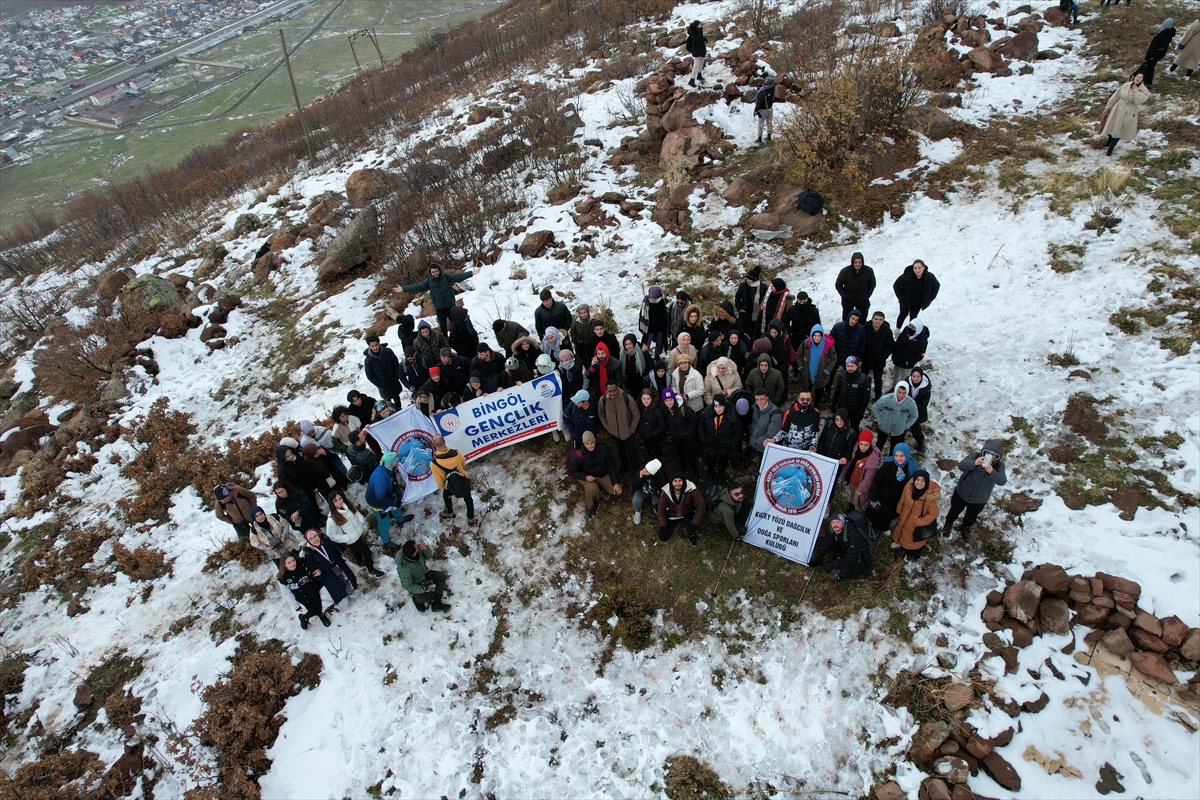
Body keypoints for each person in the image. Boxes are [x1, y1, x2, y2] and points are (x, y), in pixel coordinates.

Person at [942, 439, 1007, 542]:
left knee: (971, 516)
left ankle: (966, 527)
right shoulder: (975, 456)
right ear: (984, 452)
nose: (990, 456)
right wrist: (975, 463)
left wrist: (992, 472)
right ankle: (948, 523)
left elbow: (1002, 481)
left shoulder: (999, 466)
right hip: (962, 492)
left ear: (997, 457)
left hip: (979, 499)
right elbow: (961, 466)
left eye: (993, 455)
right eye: (988, 453)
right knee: (954, 510)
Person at [396, 262, 477, 334]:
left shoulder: (446, 277)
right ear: (430, 273)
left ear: (439, 271)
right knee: (442, 324)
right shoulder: (429, 281)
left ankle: (457, 335)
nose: (435, 273)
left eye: (436, 271)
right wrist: (403, 289)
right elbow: (417, 287)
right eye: (433, 272)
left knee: (455, 322)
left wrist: (472, 273)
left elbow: (458, 277)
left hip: (450, 304)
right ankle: (445, 338)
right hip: (439, 307)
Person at [325, 489, 386, 577]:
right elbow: (331, 535)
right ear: (331, 503)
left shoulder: (347, 505)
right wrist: (347, 538)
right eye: (336, 501)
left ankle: (360, 562)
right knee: (367, 552)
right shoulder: (332, 518)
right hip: (351, 540)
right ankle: (371, 570)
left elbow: (355, 512)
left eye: (340, 498)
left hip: (357, 533)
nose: (339, 502)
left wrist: (361, 520)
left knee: (358, 551)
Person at [568, 431, 623, 518]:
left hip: (601, 474)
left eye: (592, 442)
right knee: (592, 489)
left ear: (595, 441)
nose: (590, 446)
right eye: (587, 443)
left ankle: (603, 486)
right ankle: (590, 507)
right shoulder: (578, 455)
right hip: (586, 476)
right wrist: (585, 477)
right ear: (584, 443)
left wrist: (616, 482)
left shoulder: (603, 449)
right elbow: (572, 470)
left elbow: (611, 465)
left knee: (615, 490)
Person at [365, 452, 415, 546]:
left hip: (388, 495)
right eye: (396, 459)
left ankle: (400, 520)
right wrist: (392, 503)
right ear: (392, 462)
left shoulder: (388, 469)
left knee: (397, 508)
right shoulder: (380, 478)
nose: (398, 460)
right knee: (384, 523)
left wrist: (399, 497)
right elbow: (380, 497)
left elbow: (393, 482)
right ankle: (387, 542)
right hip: (378, 504)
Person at [866, 443, 919, 531]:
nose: (898, 459)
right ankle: (873, 526)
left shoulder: (911, 467)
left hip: (896, 498)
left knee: (889, 514)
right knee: (876, 514)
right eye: (896, 455)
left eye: (902, 456)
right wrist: (874, 499)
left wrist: (903, 479)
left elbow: (910, 487)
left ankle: (885, 526)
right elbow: (877, 482)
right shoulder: (888, 464)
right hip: (882, 496)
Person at [891, 470, 941, 559]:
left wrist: (919, 521)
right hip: (905, 518)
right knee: (903, 534)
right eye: (917, 479)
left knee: (914, 542)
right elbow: (903, 498)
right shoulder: (909, 489)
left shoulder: (929, 498)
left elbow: (934, 513)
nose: (919, 483)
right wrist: (900, 509)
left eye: (923, 481)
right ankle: (903, 548)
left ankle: (912, 556)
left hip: (916, 525)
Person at [302, 528, 357, 608]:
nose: (315, 539)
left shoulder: (326, 542)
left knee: (345, 579)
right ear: (308, 541)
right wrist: (319, 572)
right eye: (311, 538)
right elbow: (312, 569)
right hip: (327, 573)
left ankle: (350, 592)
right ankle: (343, 598)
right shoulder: (309, 554)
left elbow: (335, 551)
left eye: (315, 536)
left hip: (338, 565)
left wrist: (341, 560)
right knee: (336, 586)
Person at [430, 434, 478, 525]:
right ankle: (471, 518)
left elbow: (439, 479)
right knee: (468, 499)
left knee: (446, 497)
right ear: (444, 441)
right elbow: (463, 464)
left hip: (449, 485)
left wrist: (443, 486)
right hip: (462, 480)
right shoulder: (456, 453)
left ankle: (450, 512)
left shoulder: (434, 463)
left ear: (434, 445)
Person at [810, 512, 873, 581]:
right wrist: (817, 557)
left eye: (837, 522)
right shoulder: (834, 530)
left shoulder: (853, 535)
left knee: (844, 571)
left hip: (858, 559)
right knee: (820, 542)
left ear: (843, 522)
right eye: (833, 522)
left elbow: (851, 559)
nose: (835, 525)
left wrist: (833, 565)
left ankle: (848, 574)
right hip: (843, 548)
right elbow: (827, 543)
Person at [1100, 72, 1149, 156]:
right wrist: (1107, 107)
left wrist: (1136, 92)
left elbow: (1138, 101)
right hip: (1118, 107)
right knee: (1112, 125)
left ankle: (1112, 146)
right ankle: (1109, 140)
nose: (1138, 79)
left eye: (1140, 78)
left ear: (1143, 80)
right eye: (1137, 76)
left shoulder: (1144, 91)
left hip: (1129, 111)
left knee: (1119, 129)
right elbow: (1116, 96)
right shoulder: (1126, 85)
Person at [598, 382, 641, 476]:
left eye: (614, 391)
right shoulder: (603, 400)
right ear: (606, 390)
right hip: (615, 432)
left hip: (628, 431)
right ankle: (624, 465)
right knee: (621, 450)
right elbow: (601, 413)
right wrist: (607, 426)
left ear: (617, 388)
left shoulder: (627, 398)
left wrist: (632, 429)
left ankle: (636, 469)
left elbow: (636, 414)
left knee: (632, 451)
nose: (612, 393)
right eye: (610, 391)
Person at [395, 539, 450, 612]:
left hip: (425, 573)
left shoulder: (413, 550)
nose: (418, 546)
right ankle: (416, 600)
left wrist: (425, 549)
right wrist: (421, 589)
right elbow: (408, 586)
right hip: (417, 583)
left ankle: (436, 602)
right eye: (417, 548)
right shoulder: (404, 569)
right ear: (413, 554)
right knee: (426, 597)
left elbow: (428, 555)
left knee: (441, 577)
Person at [278, 554, 331, 629]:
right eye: (289, 563)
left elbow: (314, 564)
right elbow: (287, 593)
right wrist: (295, 606)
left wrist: (318, 569)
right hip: (301, 596)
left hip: (312, 590)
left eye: (293, 560)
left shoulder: (302, 564)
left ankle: (304, 618)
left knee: (317, 608)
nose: (293, 564)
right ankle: (319, 614)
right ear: (284, 565)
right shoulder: (283, 578)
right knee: (311, 608)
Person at [656, 471, 707, 545]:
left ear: (684, 481)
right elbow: (661, 507)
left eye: (680, 481)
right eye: (675, 481)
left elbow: (701, 505)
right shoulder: (666, 490)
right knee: (663, 536)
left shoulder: (691, 488)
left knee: (696, 528)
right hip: (672, 514)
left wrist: (695, 523)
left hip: (687, 513)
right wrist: (663, 524)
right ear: (671, 482)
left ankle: (692, 534)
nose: (677, 484)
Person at [699, 394, 742, 482]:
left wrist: (732, 444)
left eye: (720, 406)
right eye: (716, 406)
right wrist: (704, 439)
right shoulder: (707, 414)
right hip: (710, 443)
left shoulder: (732, 416)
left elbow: (738, 431)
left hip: (725, 445)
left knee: (723, 462)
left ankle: (721, 474)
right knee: (710, 461)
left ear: (724, 406)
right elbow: (700, 426)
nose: (718, 409)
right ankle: (711, 473)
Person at [872, 380, 919, 456]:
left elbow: (914, 415)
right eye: (899, 392)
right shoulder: (885, 399)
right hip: (883, 428)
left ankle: (890, 464)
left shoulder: (911, 404)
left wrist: (906, 425)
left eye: (904, 393)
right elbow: (875, 408)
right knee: (879, 445)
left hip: (898, 431)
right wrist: (879, 420)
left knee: (895, 449)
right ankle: (875, 461)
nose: (901, 395)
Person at [662, 388, 701, 474]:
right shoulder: (665, 411)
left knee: (689, 455)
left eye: (671, 400)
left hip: (687, 438)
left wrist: (687, 432)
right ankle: (683, 465)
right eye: (666, 401)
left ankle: (695, 471)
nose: (669, 403)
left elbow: (694, 420)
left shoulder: (683, 409)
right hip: (676, 438)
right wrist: (669, 431)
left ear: (674, 399)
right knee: (680, 453)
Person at [797, 324, 837, 407]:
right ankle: (807, 404)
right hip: (807, 372)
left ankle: (816, 404)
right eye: (815, 335)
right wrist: (801, 366)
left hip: (821, 373)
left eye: (819, 335)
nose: (817, 338)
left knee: (819, 389)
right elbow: (798, 355)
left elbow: (834, 358)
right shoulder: (806, 343)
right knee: (807, 389)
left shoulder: (828, 346)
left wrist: (827, 370)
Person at [892, 260, 940, 330]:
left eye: (919, 268)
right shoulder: (907, 275)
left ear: (923, 267)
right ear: (913, 268)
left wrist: (929, 298)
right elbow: (896, 285)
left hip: (918, 303)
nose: (917, 270)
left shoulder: (929, 277)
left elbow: (936, 286)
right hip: (906, 301)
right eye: (915, 268)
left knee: (913, 317)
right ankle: (897, 331)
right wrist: (901, 298)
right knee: (902, 315)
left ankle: (910, 332)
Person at [845, 430, 882, 512]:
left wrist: (861, 489)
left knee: (857, 502)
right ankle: (850, 511)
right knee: (851, 498)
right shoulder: (857, 450)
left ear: (870, 444)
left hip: (860, 485)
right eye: (861, 444)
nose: (863, 447)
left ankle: (858, 516)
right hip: (852, 481)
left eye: (866, 445)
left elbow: (869, 478)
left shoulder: (873, 458)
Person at [831, 356, 872, 430]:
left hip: (854, 410)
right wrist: (834, 404)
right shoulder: (843, 375)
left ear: (857, 366)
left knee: (854, 428)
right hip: (842, 407)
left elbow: (866, 398)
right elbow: (837, 390)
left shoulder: (864, 379)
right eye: (848, 366)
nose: (850, 368)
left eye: (852, 366)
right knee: (841, 427)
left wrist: (860, 413)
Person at [363, 336, 404, 409]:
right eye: (372, 346)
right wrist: (380, 384)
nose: (375, 348)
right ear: (369, 346)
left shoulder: (388, 352)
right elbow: (370, 375)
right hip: (383, 386)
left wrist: (396, 375)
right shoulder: (368, 360)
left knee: (397, 399)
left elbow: (395, 363)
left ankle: (399, 410)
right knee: (387, 404)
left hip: (393, 381)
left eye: (376, 345)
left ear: (379, 344)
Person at [862, 312, 895, 401]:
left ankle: (878, 396)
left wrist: (883, 356)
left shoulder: (887, 331)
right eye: (876, 319)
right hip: (867, 358)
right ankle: (862, 393)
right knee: (863, 377)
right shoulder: (865, 328)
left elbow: (891, 345)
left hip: (879, 359)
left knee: (878, 379)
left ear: (883, 321)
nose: (877, 321)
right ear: (872, 319)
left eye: (880, 320)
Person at [835, 252, 876, 321]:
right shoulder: (845, 271)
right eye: (855, 262)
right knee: (847, 318)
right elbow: (838, 285)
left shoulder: (868, 271)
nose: (858, 264)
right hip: (848, 300)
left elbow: (872, 284)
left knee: (862, 319)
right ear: (852, 262)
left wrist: (867, 295)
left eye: (860, 262)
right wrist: (845, 296)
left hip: (862, 300)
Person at [814, 408, 856, 478]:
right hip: (823, 458)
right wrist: (820, 453)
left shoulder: (851, 433)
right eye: (837, 419)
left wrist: (846, 458)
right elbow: (822, 439)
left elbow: (850, 450)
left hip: (836, 463)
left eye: (841, 419)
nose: (839, 422)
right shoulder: (829, 425)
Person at [891, 318, 928, 388]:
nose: (910, 328)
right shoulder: (906, 331)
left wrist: (910, 362)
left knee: (904, 378)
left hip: (907, 364)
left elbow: (920, 355)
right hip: (898, 359)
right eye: (910, 326)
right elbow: (899, 341)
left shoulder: (922, 341)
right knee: (896, 374)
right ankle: (894, 388)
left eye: (913, 327)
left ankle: (902, 390)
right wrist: (894, 353)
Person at [747, 388, 783, 461]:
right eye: (757, 400)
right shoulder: (756, 408)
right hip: (756, 442)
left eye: (762, 399)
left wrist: (755, 441)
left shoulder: (775, 414)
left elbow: (770, 435)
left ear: (767, 398)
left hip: (763, 446)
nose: (759, 402)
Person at [1138, 19, 1176, 88]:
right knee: (1151, 66)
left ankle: (1147, 82)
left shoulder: (1161, 36)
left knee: (1150, 67)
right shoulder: (1170, 33)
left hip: (1154, 54)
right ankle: (1146, 81)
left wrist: (1147, 57)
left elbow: (1153, 47)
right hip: (1160, 54)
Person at [631, 458, 668, 525]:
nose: (644, 471)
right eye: (645, 468)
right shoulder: (640, 471)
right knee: (635, 500)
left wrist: (659, 496)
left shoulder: (661, 477)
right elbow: (634, 487)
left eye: (647, 471)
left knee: (659, 510)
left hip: (655, 492)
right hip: (643, 490)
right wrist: (639, 478)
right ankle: (638, 511)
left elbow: (664, 489)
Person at [829, 310, 866, 376]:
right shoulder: (838, 327)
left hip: (851, 359)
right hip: (837, 356)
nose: (853, 321)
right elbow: (830, 342)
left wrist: (856, 357)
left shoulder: (861, 330)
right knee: (831, 374)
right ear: (849, 317)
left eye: (856, 320)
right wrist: (833, 354)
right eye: (852, 318)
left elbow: (862, 345)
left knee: (849, 377)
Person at [637, 388, 668, 463]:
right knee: (648, 448)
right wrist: (640, 430)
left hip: (654, 435)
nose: (646, 401)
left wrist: (653, 433)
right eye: (644, 398)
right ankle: (650, 456)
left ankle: (658, 459)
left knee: (656, 448)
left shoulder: (657, 410)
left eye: (648, 398)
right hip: (644, 434)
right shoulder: (639, 407)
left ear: (652, 398)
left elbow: (663, 424)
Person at [785, 292, 821, 358]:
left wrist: (811, 334)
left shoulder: (813, 310)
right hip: (795, 337)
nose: (801, 303)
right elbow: (786, 321)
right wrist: (790, 332)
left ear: (807, 299)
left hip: (808, 337)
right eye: (800, 301)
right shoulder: (793, 309)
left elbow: (817, 325)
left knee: (807, 356)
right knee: (795, 355)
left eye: (804, 301)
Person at [906, 367, 931, 455]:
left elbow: (924, 403)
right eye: (914, 376)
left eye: (918, 377)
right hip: (905, 410)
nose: (915, 379)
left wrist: (913, 411)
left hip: (917, 412)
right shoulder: (906, 383)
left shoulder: (926, 387)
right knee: (902, 428)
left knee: (915, 429)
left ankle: (921, 442)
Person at [638, 285, 670, 355]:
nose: (653, 299)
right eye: (651, 297)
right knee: (647, 342)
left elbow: (667, 315)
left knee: (659, 341)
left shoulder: (663, 302)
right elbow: (641, 315)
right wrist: (641, 328)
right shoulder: (646, 302)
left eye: (655, 298)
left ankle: (657, 355)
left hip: (660, 326)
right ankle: (644, 354)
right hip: (649, 327)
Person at [686, 20, 707, 87]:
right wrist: (700, 30)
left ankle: (699, 75)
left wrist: (705, 39)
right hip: (696, 50)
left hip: (701, 49)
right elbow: (698, 39)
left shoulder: (697, 31)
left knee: (701, 63)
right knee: (696, 65)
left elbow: (701, 38)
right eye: (699, 25)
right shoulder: (692, 32)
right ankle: (692, 80)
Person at [754, 77, 776, 143]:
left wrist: (756, 110)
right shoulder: (772, 88)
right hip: (770, 108)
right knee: (769, 123)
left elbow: (760, 103)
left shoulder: (762, 92)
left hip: (762, 110)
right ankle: (769, 136)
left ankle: (759, 138)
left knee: (761, 124)